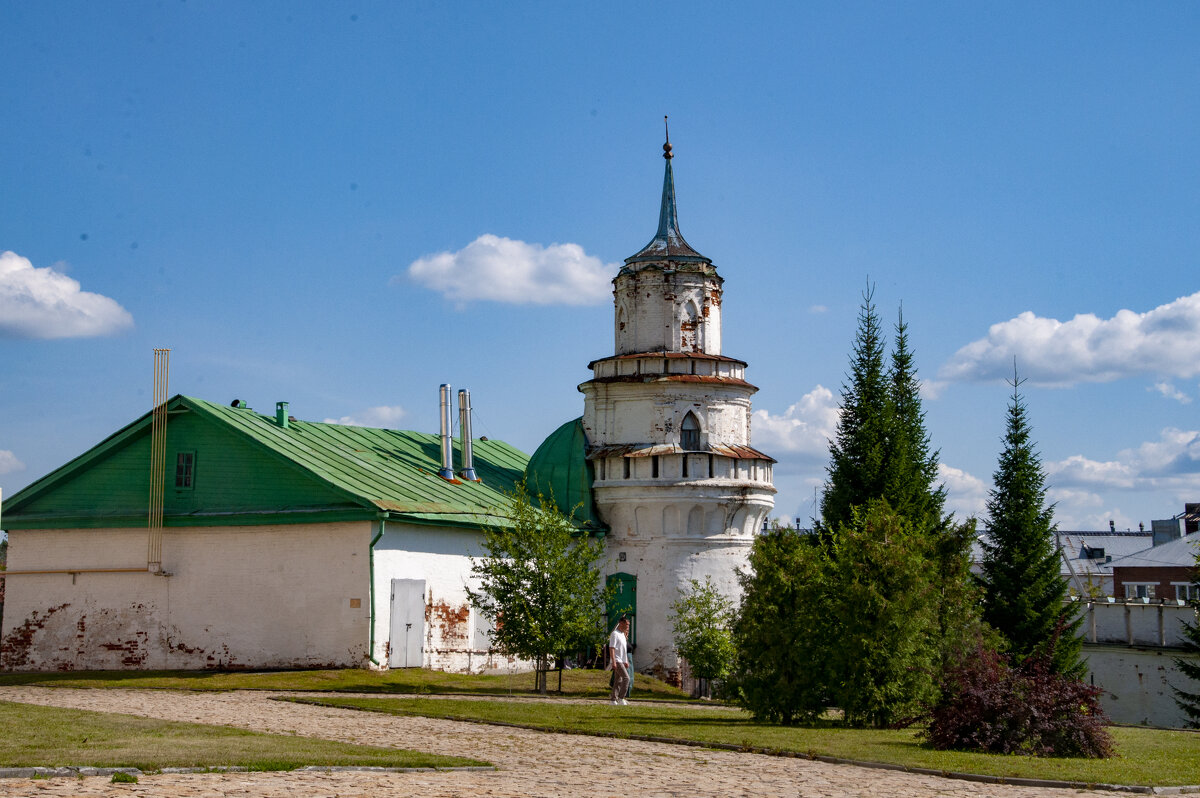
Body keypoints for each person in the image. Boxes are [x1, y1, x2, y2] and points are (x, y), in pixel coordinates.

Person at [608, 616, 630, 705]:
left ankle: (613, 700)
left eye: (629, 625)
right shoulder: (615, 634)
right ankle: (621, 698)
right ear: (621, 623)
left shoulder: (623, 634)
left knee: (618, 680)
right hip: (617, 660)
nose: (628, 626)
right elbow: (612, 648)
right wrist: (613, 661)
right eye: (627, 624)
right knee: (626, 678)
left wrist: (626, 660)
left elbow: (623, 649)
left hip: (622, 660)